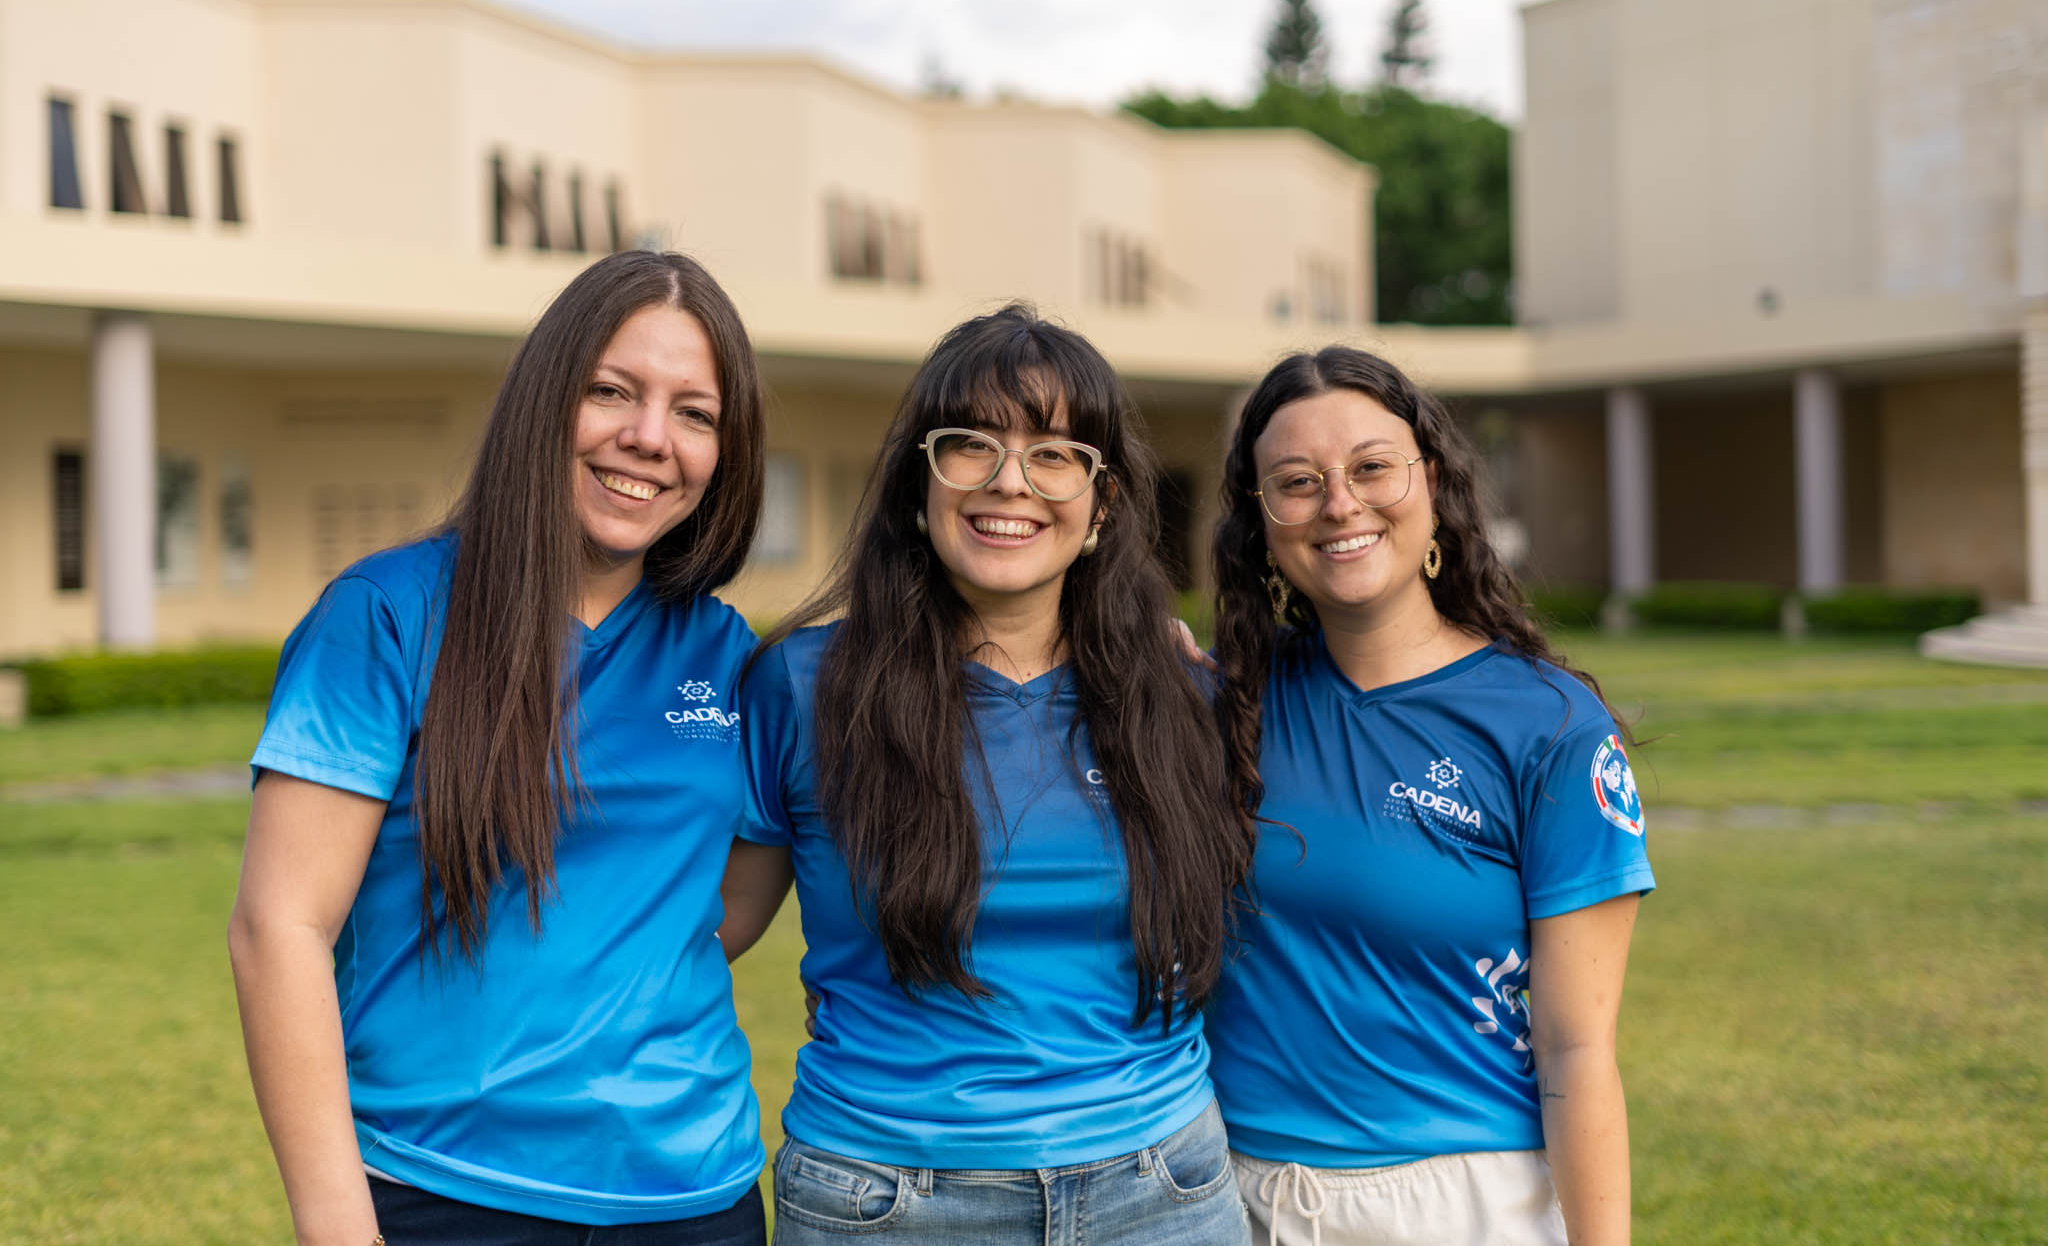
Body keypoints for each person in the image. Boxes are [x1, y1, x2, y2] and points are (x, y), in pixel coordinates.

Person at [227, 250, 771, 1246]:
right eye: (612, 391)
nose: (649, 438)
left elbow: (721, 912)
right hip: (443, 1191)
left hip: (699, 1201)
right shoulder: (385, 617)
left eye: (694, 414)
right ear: (543, 400)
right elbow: (278, 929)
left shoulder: (727, 653)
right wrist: (337, 1223)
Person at [718, 305, 1256, 1245]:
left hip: (1160, 1192)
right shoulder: (800, 688)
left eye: (1056, 454)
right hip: (885, 1201)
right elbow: (697, 929)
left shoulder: (1182, 696)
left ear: (1105, 503)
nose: (1012, 481)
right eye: (972, 445)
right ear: (917, 484)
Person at [1204, 346, 1655, 1246]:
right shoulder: (1217, 708)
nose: (1340, 503)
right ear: (1259, 520)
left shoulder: (1550, 727)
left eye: (1373, 467)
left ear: (1433, 482)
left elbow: (1577, 1051)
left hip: (1451, 1207)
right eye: (1297, 481)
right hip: (1225, 1196)